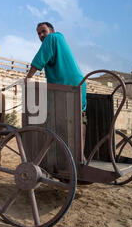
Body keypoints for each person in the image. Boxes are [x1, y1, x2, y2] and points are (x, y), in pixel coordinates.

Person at [26, 22, 87, 161]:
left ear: (51, 31)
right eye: (38, 34)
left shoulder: (52, 38)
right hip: (79, 84)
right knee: (80, 119)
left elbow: (39, 59)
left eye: (43, 31)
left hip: (66, 85)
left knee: (53, 120)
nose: (41, 35)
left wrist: (28, 78)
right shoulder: (59, 40)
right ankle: (81, 156)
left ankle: (56, 157)